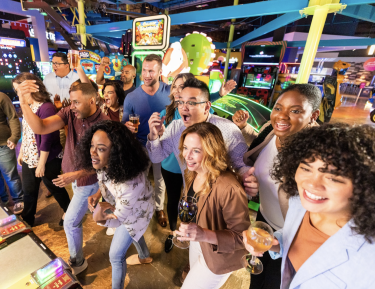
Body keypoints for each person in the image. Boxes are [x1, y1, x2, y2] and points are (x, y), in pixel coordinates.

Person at [245, 123, 375, 288]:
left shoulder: (369, 261)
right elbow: (294, 238)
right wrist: (274, 243)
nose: (311, 184)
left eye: (332, 177)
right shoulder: (298, 203)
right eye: (306, 169)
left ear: (364, 185)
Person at [15, 81, 109, 275]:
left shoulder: (105, 124)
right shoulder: (69, 113)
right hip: (73, 178)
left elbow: (105, 163)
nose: (71, 105)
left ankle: (78, 262)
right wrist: (23, 103)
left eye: (76, 102)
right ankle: (113, 216)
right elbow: (40, 127)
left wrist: (76, 174)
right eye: (71, 101)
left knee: (70, 222)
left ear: (92, 101)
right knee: (85, 211)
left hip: (89, 181)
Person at [232, 84, 321, 289]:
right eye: (278, 108)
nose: (282, 116)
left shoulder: (318, 155)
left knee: (275, 282)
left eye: (295, 111)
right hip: (264, 219)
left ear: (314, 115)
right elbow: (259, 145)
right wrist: (244, 128)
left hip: (292, 234)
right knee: (256, 276)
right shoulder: (271, 131)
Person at [147, 78, 259, 198]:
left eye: (191, 103)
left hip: (219, 198)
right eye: (180, 102)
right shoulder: (175, 128)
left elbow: (241, 165)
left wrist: (248, 179)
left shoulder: (228, 129)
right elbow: (156, 157)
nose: (183, 108)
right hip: (190, 195)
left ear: (206, 107)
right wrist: (153, 136)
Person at [75, 120, 154, 289]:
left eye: (101, 148)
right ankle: (145, 255)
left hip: (136, 212)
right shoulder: (106, 163)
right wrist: (97, 194)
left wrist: (98, 218)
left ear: (117, 152)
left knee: (116, 255)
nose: (93, 153)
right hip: (128, 206)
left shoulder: (129, 183)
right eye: (92, 146)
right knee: (133, 234)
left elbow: (118, 220)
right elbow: (106, 181)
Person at [161, 73, 234, 253]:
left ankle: (197, 247)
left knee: (197, 209)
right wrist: (155, 136)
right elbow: (159, 150)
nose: (179, 93)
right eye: (176, 88)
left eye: (190, 101)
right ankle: (174, 232)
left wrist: (244, 171)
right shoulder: (169, 115)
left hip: (198, 177)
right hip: (173, 167)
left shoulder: (215, 128)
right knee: (177, 202)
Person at [175, 122, 250, 289]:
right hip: (198, 242)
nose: (187, 155)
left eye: (196, 151)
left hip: (219, 255)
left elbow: (242, 238)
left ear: (211, 152)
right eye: (185, 148)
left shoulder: (229, 188)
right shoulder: (193, 173)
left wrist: (203, 235)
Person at [12, 73, 70, 226]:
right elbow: (27, 132)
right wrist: (23, 152)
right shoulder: (29, 106)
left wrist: (42, 163)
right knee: (29, 190)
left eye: (18, 90)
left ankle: (69, 212)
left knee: (55, 187)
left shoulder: (46, 107)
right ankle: (28, 219)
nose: (17, 93)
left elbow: (47, 138)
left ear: (30, 88)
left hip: (47, 158)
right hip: (30, 157)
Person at [121, 54, 171, 228]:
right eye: (144, 70)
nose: (147, 75)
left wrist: (220, 93)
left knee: (160, 179)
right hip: (141, 144)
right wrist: (126, 126)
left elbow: (194, 101)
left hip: (162, 142)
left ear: (159, 71)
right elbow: (124, 122)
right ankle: (141, 206)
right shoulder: (132, 97)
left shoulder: (170, 91)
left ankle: (159, 208)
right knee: (139, 179)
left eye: (151, 71)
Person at [0, 91, 23, 214]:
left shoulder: (2, 97)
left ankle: (18, 200)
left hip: (4, 145)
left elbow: (13, 117)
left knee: (11, 176)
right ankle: (3, 202)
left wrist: (14, 137)